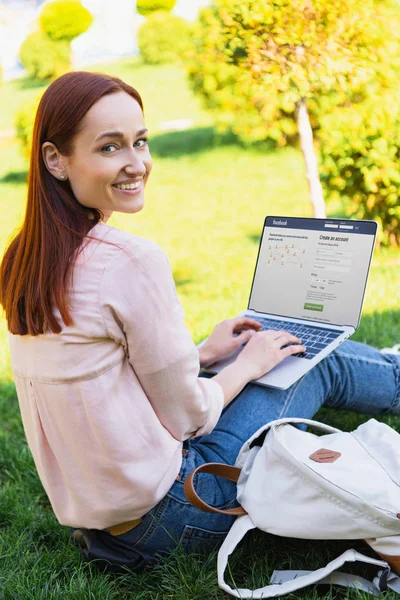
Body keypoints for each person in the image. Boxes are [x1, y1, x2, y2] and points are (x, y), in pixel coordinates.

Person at [1, 71, 399, 576]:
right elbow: (189, 420)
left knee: (261, 351)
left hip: (104, 520)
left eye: (140, 142)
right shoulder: (128, 260)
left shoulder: (25, 259)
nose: (136, 163)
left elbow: (108, 381)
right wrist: (246, 367)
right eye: (109, 148)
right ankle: (395, 374)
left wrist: (206, 355)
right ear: (56, 159)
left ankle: (387, 365)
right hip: (180, 514)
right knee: (304, 357)